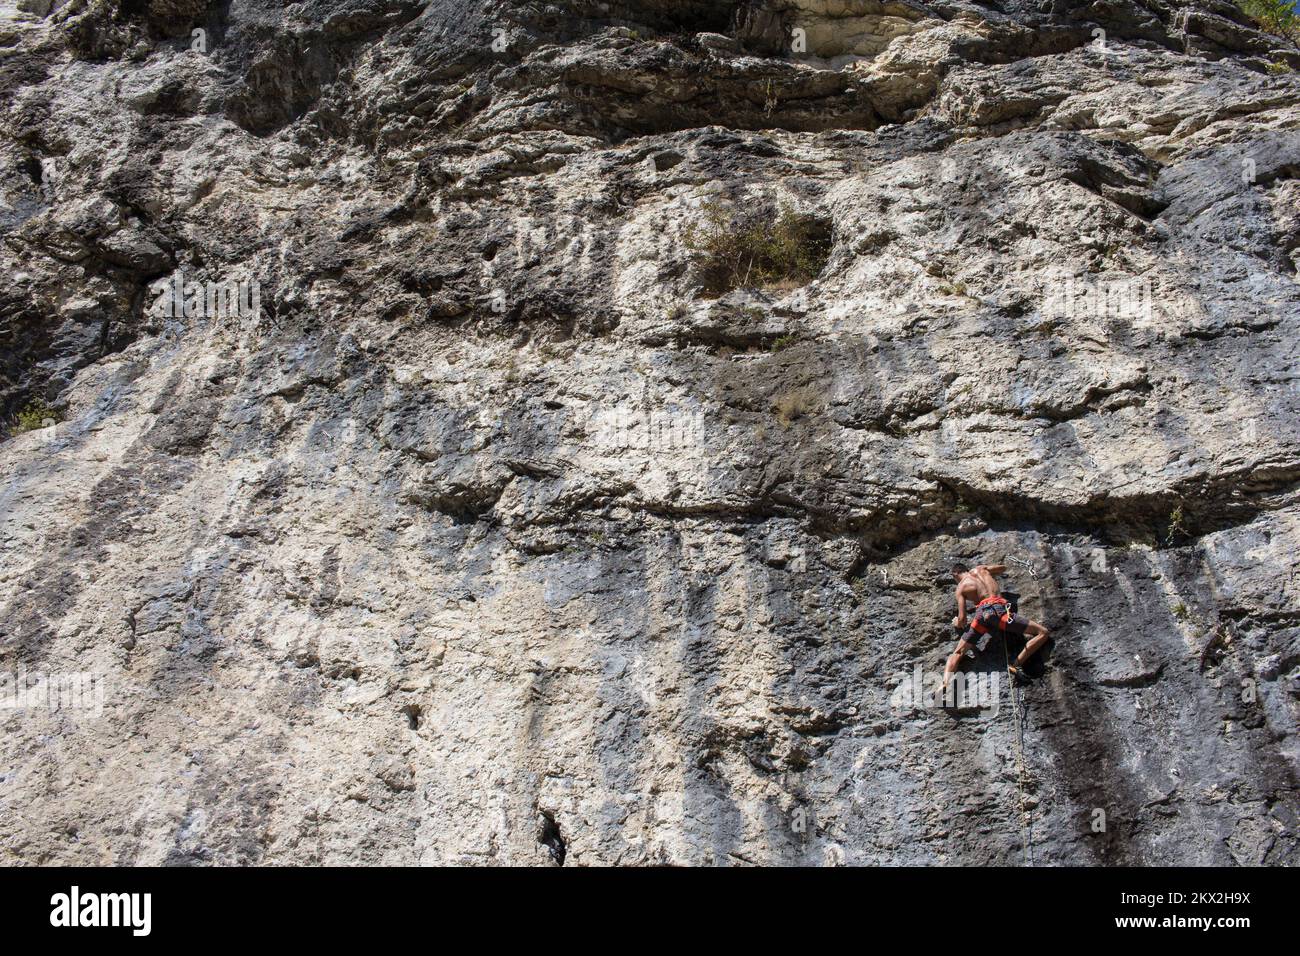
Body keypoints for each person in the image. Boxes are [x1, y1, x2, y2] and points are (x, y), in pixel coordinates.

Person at [944, 562, 1050, 686]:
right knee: (1043, 632)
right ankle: (1016, 664)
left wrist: (956, 622)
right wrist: (990, 572)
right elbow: (1003, 567)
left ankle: (944, 684)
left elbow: (962, 620)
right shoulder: (981, 569)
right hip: (998, 612)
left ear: (955, 573)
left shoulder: (961, 588)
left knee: (958, 653)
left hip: (981, 616)